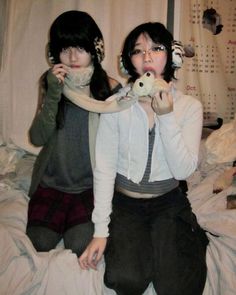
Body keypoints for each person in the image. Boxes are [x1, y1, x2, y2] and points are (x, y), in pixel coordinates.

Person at [79, 22, 208, 295]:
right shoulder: (117, 104)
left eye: (156, 48)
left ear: (172, 57)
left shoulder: (189, 107)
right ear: (129, 62)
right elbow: (104, 168)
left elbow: (183, 170)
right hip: (125, 204)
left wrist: (166, 116)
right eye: (138, 51)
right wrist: (100, 230)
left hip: (169, 203)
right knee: (126, 280)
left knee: (179, 287)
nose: (147, 57)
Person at [26, 10, 121, 257]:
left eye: (80, 47)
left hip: (90, 186)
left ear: (95, 50)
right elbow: (37, 137)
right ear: (54, 53)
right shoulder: (50, 82)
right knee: (39, 242)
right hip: (52, 183)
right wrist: (54, 94)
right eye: (65, 48)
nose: (72, 56)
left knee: (80, 244)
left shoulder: (109, 88)